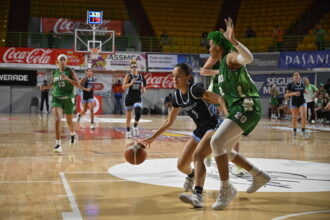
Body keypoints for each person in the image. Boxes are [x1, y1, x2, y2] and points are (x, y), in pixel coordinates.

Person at [200, 18, 270, 210]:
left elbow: (248, 59)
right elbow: (205, 71)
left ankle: (226, 189)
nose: (209, 49)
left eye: (211, 46)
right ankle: (258, 175)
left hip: (247, 106)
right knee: (226, 151)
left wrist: (234, 41)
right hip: (241, 109)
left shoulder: (230, 57)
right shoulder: (221, 66)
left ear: (219, 46)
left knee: (216, 143)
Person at [140, 63, 228, 208]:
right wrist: (153, 137)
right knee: (181, 165)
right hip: (200, 129)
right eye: (173, 77)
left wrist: (226, 112)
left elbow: (218, 98)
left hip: (214, 125)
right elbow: (169, 121)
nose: (174, 79)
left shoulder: (195, 89)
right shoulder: (176, 96)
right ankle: (192, 175)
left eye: (178, 76)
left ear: (188, 77)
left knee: (198, 156)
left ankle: (198, 195)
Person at [41, 54, 81, 153]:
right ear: (57, 62)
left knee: (69, 122)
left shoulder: (70, 71)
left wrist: (67, 79)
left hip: (68, 99)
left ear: (66, 62)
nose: (62, 61)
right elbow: (53, 84)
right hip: (56, 98)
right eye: (61, 59)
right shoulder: (54, 72)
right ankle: (58, 144)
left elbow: (78, 84)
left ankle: (72, 134)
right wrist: (45, 87)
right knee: (58, 119)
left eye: (64, 59)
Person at [122, 60, 146, 138]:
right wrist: (131, 83)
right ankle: (128, 131)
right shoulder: (128, 76)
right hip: (129, 98)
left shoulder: (141, 76)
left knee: (138, 113)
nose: (134, 68)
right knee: (128, 117)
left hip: (137, 97)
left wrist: (143, 89)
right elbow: (123, 87)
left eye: (135, 67)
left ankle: (135, 126)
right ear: (130, 68)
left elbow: (144, 85)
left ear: (137, 68)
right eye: (132, 67)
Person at [285, 72, 308, 138]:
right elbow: (286, 95)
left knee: (304, 116)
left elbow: (303, 91)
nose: (296, 76)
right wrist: (293, 93)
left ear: (299, 76)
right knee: (295, 118)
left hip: (302, 102)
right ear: (293, 77)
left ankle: (303, 132)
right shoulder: (290, 85)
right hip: (294, 103)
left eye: (298, 75)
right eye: (295, 75)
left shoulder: (302, 84)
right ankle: (294, 132)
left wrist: (307, 92)